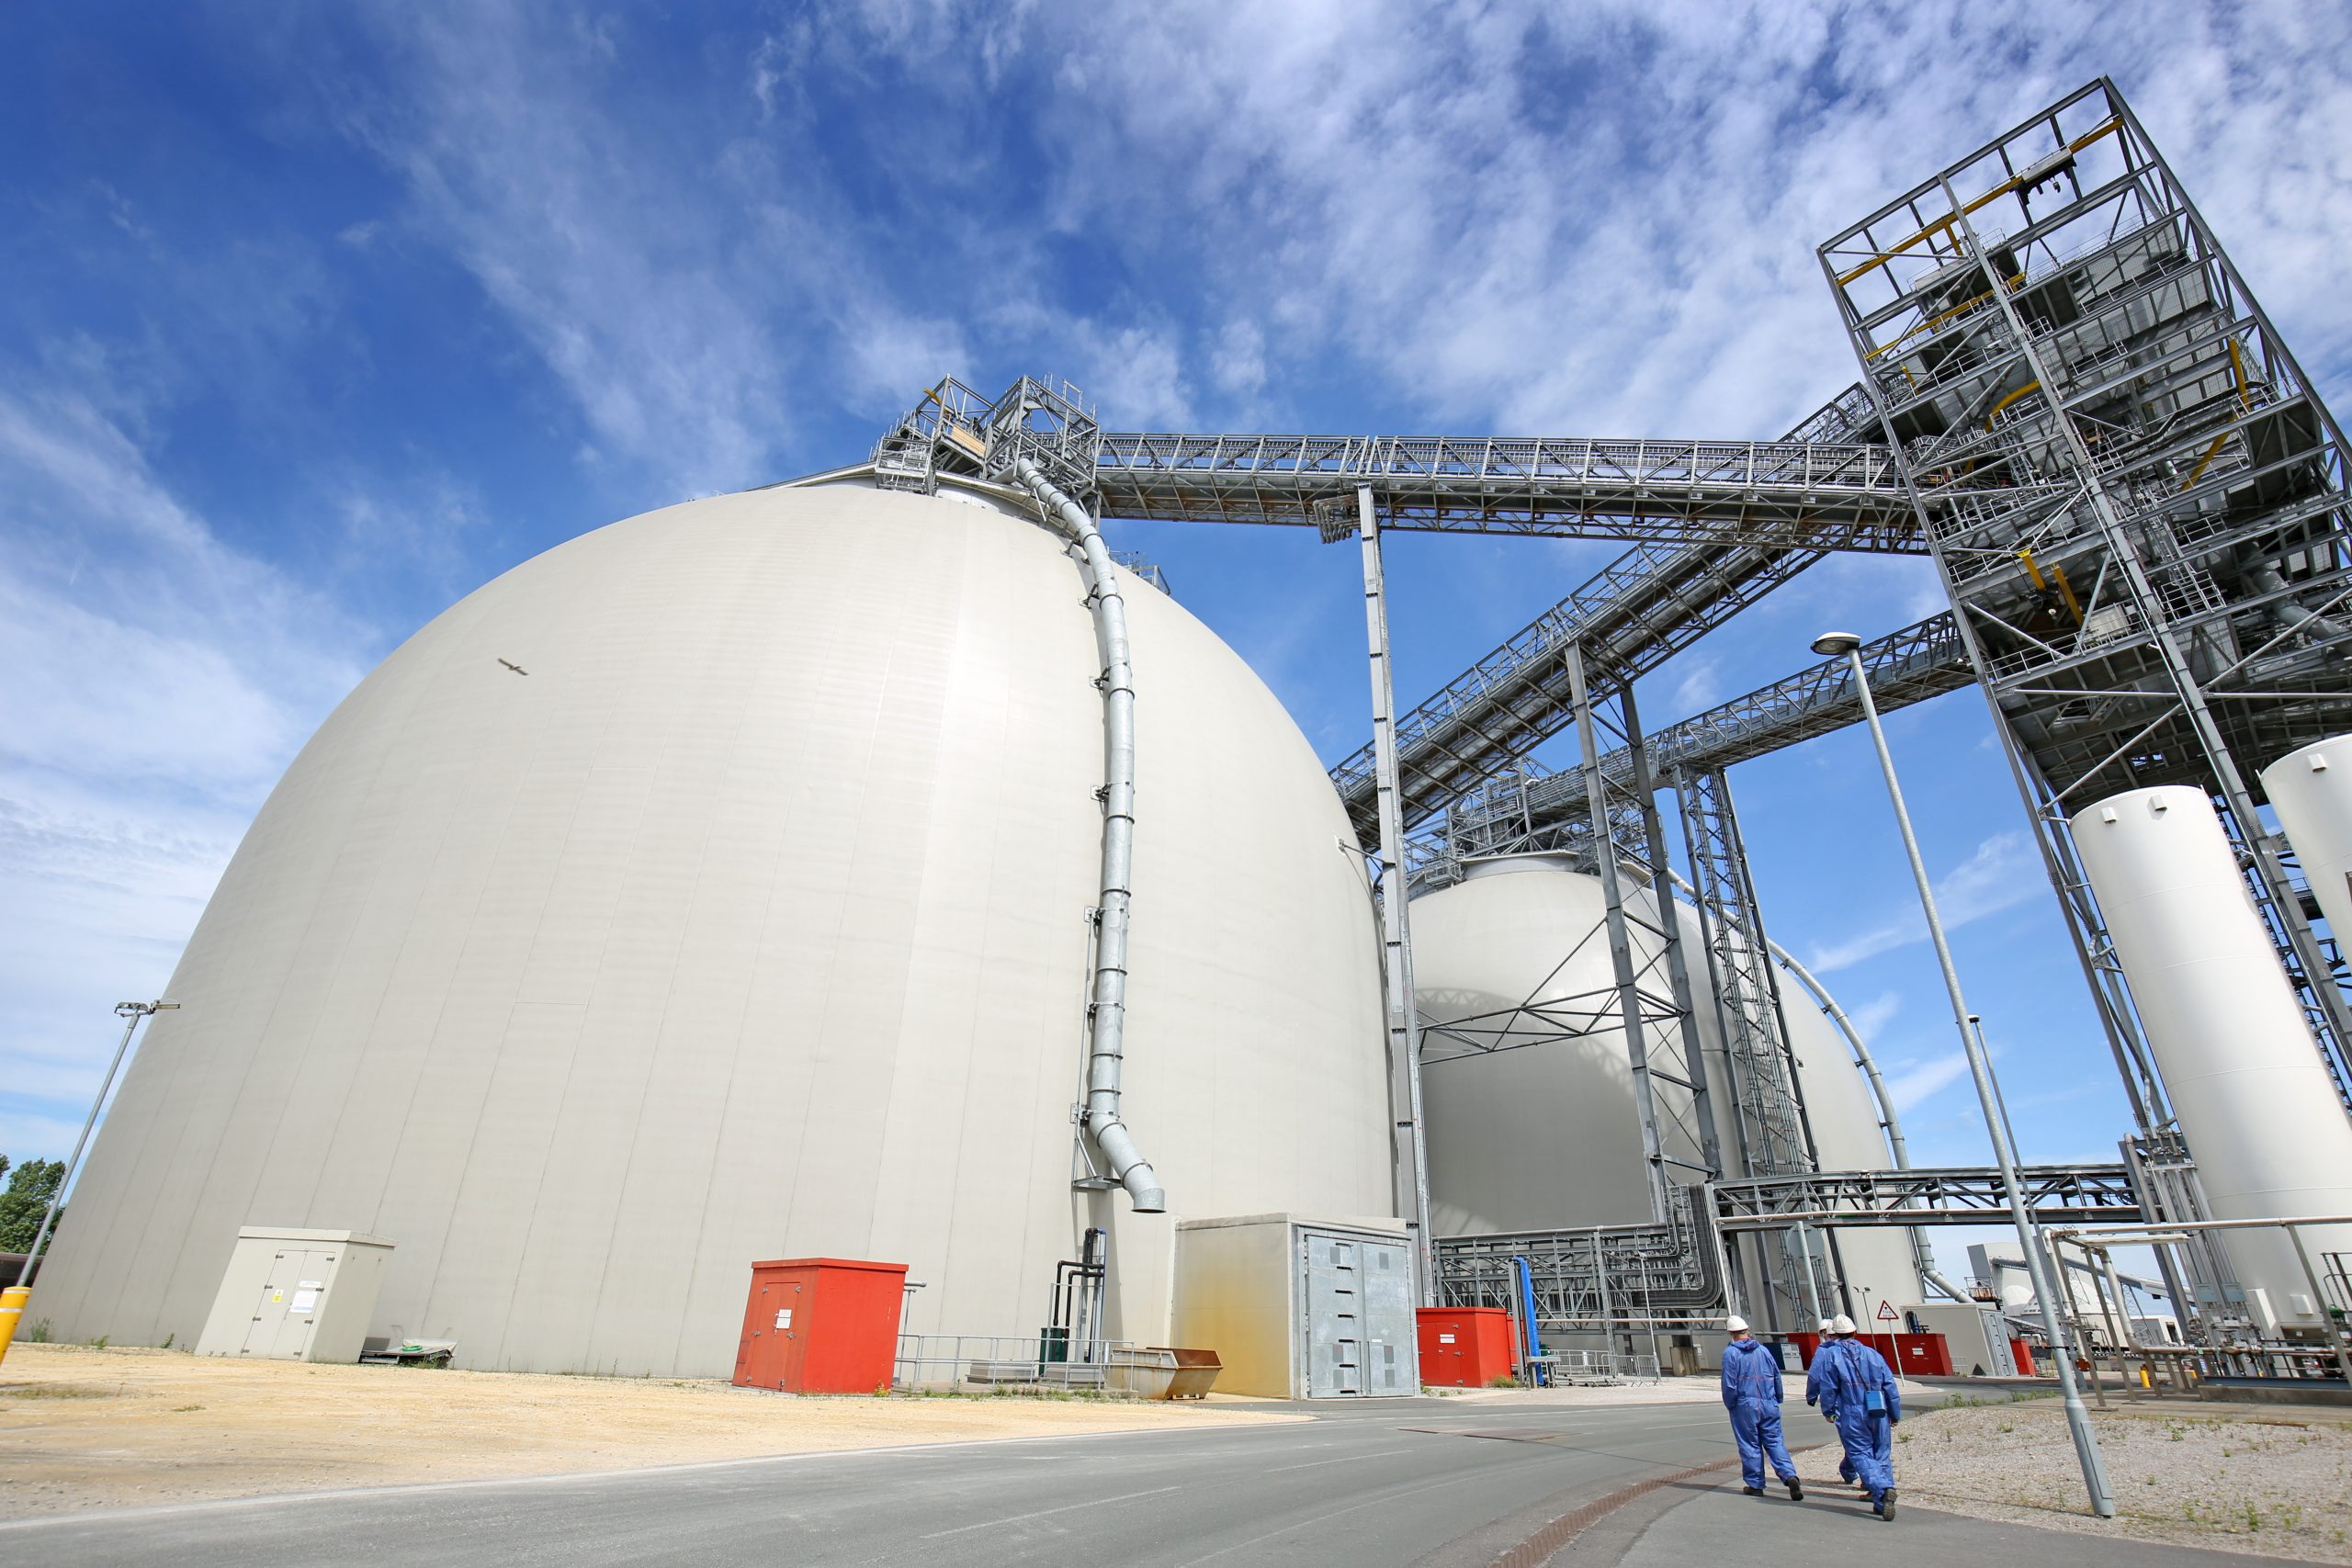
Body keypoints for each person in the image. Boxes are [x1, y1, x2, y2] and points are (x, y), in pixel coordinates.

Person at [1812, 1312, 1902, 1520]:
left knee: (1860, 1453)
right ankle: (1880, 1501)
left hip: (1852, 1411)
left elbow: (1828, 1388)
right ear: (1854, 1332)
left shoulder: (1831, 1357)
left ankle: (1882, 1487)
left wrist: (1828, 1411)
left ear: (1834, 1334)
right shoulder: (1873, 1355)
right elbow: (1890, 1386)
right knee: (1881, 1453)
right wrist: (1894, 1413)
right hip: (1878, 1409)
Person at [1719, 1314, 1804, 1501]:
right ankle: (1790, 1476)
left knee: (1750, 1445)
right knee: (1775, 1442)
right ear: (1747, 1331)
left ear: (1731, 1334)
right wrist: (1778, 1398)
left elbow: (1729, 1384)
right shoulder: (1763, 1351)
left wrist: (1731, 1404)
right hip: (1768, 1402)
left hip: (1745, 1405)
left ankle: (1755, 1485)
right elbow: (1776, 1376)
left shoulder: (1731, 1353)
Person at [1804, 1318, 1860, 1492]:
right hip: (1867, 1401)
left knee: (1851, 1441)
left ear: (1826, 1334)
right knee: (1865, 1441)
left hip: (1842, 1404)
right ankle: (1860, 1474)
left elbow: (1817, 1377)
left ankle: (1855, 1473)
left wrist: (1813, 1397)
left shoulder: (1826, 1352)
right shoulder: (1863, 1350)